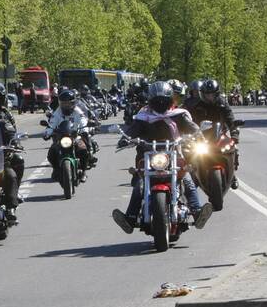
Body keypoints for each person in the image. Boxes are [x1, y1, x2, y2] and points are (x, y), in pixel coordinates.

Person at [112, 81, 213, 234]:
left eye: (164, 100)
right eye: (157, 100)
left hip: (173, 155)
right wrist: (125, 139)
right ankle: (130, 218)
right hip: (147, 158)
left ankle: (198, 212)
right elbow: (132, 130)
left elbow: (191, 126)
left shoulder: (178, 115)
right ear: (150, 100)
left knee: (187, 180)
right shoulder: (143, 117)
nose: (160, 104)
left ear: (170, 100)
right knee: (139, 186)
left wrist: (198, 134)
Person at [43, 89, 95, 180]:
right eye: (64, 103)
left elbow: (83, 121)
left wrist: (85, 130)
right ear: (60, 103)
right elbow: (52, 122)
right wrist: (47, 133)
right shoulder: (57, 112)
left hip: (75, 136)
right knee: (52, 152)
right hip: (61, 137)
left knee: (83, 150)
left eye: (68, 103)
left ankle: (83, 172)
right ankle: (55, 169)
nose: (66, 105)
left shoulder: (77, 111)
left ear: (73, 103)